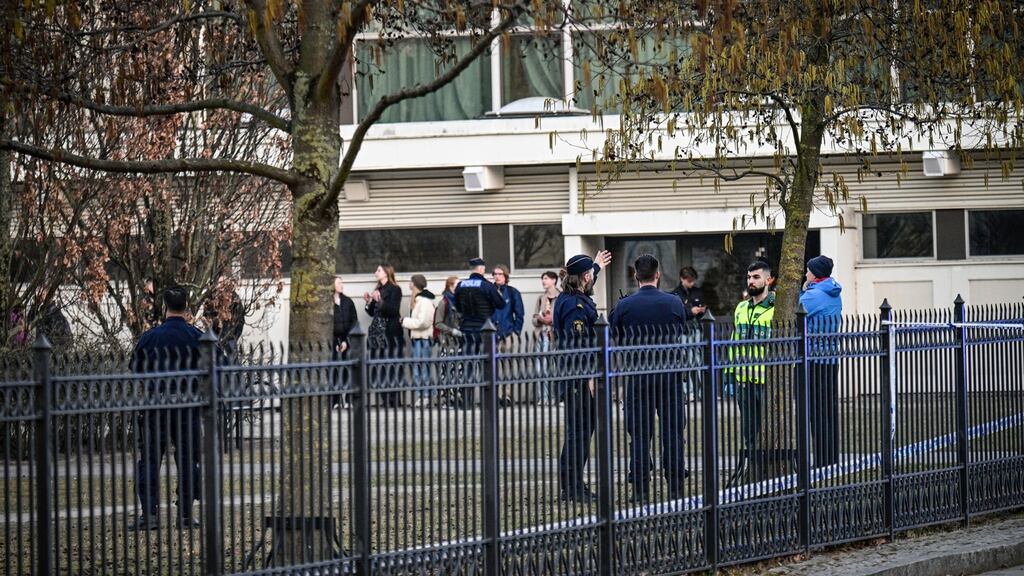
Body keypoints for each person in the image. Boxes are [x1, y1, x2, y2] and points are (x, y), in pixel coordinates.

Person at [610, 254, 689, 503]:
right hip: (670, 375)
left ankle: (641, 489)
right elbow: (682, 329)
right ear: (658, 275)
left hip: (638, 374)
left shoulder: (624, 305)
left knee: (640, 435)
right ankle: (675, 486)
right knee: (673, 433)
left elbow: (615, 334)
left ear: (636, 276)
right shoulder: (674, 302)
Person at [129, 286, 203, 531]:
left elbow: (135, 367)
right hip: (187, 406)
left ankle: (149, 514)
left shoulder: (150, 337)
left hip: (156, 405)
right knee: (188, 460)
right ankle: (185, 514)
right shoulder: (196, 336)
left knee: (150, 460)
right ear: (186, 307)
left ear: (164, 307)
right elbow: (217, 365)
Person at [553, 249, 612, 502]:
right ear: (584, 277)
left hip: (575, 376)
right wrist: (589, 376)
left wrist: (596, 266)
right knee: (578, 433)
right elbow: (578, 346)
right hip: (578, 378)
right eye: (590, 275)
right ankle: (572, 487)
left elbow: (586, 279)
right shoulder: (575, 306)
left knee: (581, 431)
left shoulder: (570, 296)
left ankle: (574, 483)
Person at [730, 260, 776, 471]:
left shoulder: (776, 309)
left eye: (756, 277)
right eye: (749, 277)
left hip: (768, 381)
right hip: (743, 380)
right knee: (749, 430)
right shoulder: (741, 307)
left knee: (770, 429)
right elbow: (734, 343)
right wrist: (730, 375)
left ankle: (771, 469)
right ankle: (753, 469)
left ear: (769, 280)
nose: (751, 281)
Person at [800, 254, 843, 468]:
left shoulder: (813, 295)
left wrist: (803, 291)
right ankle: (830, 459)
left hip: (813, 359)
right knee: (828, 410)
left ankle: (821, 462)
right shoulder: (833, 291)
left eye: (808, 270)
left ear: (815, 274)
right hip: (831, 358)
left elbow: (792, 313)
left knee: (815, 412)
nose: (805, 274)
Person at [452, 258, 505, 409]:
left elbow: (457, 306)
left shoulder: (461, 285)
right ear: (482, 269)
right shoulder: (487, 286)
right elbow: (500, 304)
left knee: (468, 365)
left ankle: (466, 402)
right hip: (484, 330)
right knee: (487, 366)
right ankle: (488, 402)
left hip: (467, 330)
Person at [365, 264, 404, 407]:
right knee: (379, 364)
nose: (376, 272)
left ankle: (394, 399)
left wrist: (380, 300)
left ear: (387, 272)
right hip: (377, 333)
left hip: (390, 332)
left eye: (379, 270)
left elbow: (393, 310)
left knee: (392, 364)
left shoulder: (395, 289)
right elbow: (372, 313)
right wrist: (369, 302)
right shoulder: (378, 289)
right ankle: (385, 399)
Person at [669, 266, 706, 401]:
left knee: (699, 360)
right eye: (689, 281)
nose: (692, 284)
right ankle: (688, 392)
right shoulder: (675, 294)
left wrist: (701, 310)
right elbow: (676, 314)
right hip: (684, 331)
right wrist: (691, 312)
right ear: (682, 279)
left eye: (693, 281)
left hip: (697, 329)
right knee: (686, 361)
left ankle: (703, 391)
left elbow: (703, 306)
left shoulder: (697, 291)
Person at [491, 264, 524, 407]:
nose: (497, 276)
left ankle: (507, 395)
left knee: (508, 365)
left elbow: (519, 313)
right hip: (492, 334)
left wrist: (516, 331)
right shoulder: (489, 291)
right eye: (495, 274)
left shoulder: (512, 292)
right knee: (494, 366)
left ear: (505, 276)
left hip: (508, 333)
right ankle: (496, 395)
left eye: (500, 274)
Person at [402, 274, 437, 407]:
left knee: (423, 369)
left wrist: (404, 321)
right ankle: (420, 396)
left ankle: (426, 396)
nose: (409, 284)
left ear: (415, 284)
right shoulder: (416, 300)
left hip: (423, 339)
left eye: (411, 282)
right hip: (416, 338)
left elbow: (423, 322)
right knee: (417, 370)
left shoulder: (424, 301)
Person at [434, 275, 463, 407]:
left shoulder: (460, 301)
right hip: (447, 342)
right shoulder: (444, 302)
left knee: (458, 371)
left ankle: (457, 397)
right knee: (446, 372)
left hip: (459, 343)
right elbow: (438, 323)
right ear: (450, 286)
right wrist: (452, 331)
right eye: (457, 285)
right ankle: (446, 399)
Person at [532, 270, 560, 405]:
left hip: (554, 336)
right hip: (541, 335)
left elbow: (561, 317)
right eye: (543, 279)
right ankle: (543, 397)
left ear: (554, 280)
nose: (544, 281)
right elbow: (533, 318)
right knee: (540, 367)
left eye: (546, 278)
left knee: (554, 366)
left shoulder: (560, 297)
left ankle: (556, 397)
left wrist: (552, 320)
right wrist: (540, 319)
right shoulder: (540, 298)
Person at [333, 275, 358, 408]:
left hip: (347, 340)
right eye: (338, 283)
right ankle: (335, 400)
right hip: (333, 341)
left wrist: (346, 341)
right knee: (334, 370)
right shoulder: (328, 303)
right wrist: (335, 342)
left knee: (349, 369)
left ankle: (349, 399)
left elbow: (354, 322)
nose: (341, 285)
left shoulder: (348, 302)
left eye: (342, 283)